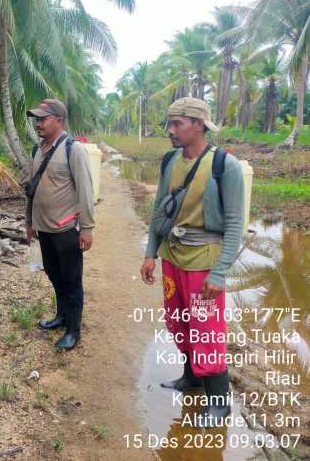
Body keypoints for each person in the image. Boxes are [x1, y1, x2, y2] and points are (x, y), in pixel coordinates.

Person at [140, 97, 244, 428]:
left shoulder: (225, 166)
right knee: (180, 321)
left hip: (204, 264)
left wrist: (220, 272)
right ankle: (191, 378)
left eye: (177, 124)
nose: (170, 130)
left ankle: (219, 404)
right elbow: (160, 209)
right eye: (168, 124)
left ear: (198, 124)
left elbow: (235, 224)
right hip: (173, 257)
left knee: (208, 332)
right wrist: (150, 253)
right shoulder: (170, 160)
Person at [25, 99, 95, 350]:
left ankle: (73, 330)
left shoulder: (72, 149)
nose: (38, 123)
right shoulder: (37, 150)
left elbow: (86, 191)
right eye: (37, 119)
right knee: (54, 275)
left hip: (65, 230)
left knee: (71, 280)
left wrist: (86, 228)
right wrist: (30, 223)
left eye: (43, 119)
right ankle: (62, 316)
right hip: (43, 229)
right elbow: (31, 191)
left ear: (59, 120)